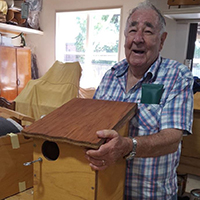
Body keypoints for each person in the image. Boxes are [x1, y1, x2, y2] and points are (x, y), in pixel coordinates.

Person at [85, 1, 194, 200]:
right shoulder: (111, 76)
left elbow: (171, 139)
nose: (138, 39)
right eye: (133, 30)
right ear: (125, 37)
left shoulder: (177, 76)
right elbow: (93, 126)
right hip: (106, 192)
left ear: (162, 40)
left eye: (148, 32)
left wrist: (127, 146)